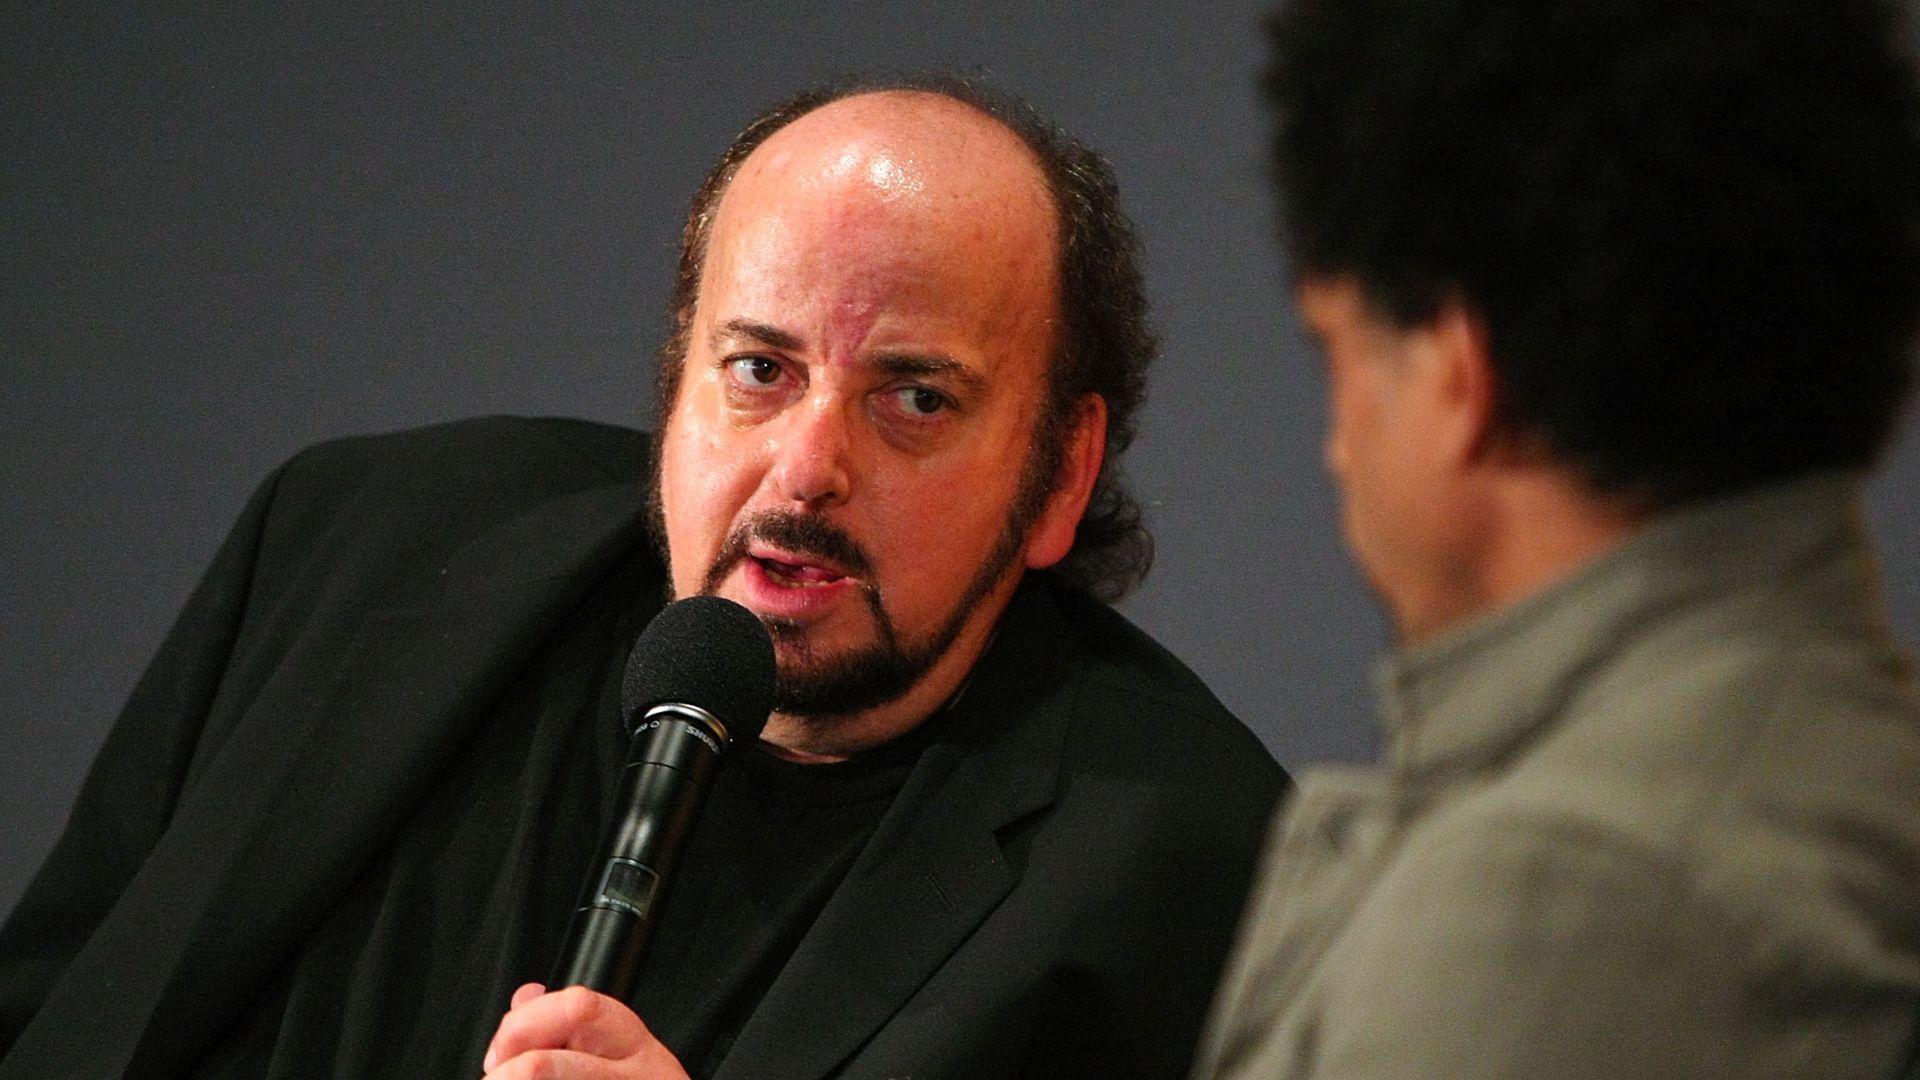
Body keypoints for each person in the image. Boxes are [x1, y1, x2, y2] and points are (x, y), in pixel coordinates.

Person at [0, 78, 1285, 1080]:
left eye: (913, 396)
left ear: (1061, 475)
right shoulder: (354, 546)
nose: (806, 469)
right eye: (759, 370)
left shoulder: (1193, 880)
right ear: (679, 378)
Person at [1189, 0, 1920, 1077]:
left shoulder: (1556, 896)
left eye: (1335, 353)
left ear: (1453, 373)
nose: (1340, 446)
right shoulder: (1835, 763)